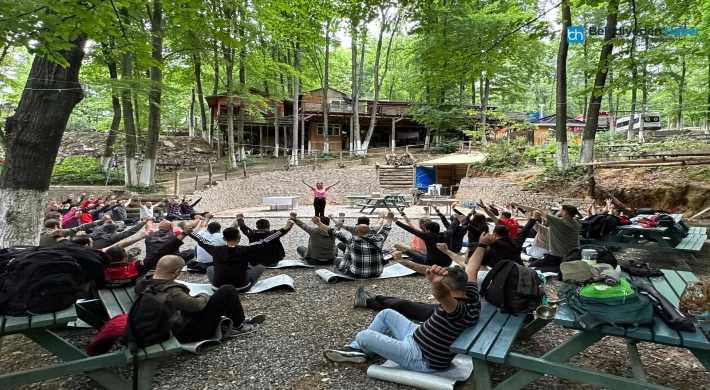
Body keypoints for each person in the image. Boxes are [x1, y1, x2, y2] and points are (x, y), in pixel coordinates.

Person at [324, 238, 482, 372]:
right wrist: (483, 244)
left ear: (447, 288)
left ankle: (360, 349)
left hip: (421, 358)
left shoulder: (459, 310)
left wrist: (435, 283)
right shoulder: (471, 294)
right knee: (386, 313)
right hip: (416, 336)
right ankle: (358, 350)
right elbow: (472, 267)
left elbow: (441, 294)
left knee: (363, 336)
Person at [134, 234, 265, 340]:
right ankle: (238, 325)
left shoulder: (143, 281)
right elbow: (196, 305)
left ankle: (236, 317)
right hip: (189, 330)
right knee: (227, 289)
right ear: (177, 272)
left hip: (172, 321)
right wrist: (204, 294)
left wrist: (189, 232)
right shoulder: (171, 291)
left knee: (222, 293)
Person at [188, 216, 293, 292]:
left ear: (224, 238)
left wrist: (187, 230)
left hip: (218, 287)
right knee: (260, 267)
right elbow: (267, 240)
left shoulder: (215, 250)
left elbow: (200, 239)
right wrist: (286, 228)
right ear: (239, 238)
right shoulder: (246, 249)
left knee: (210, 269)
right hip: (242, 286)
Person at [320, 213, 393, 278]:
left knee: (337, 260)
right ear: (369, 231)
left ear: (356, 232)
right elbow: (386, 228)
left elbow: (332, 231)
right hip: (377, 273)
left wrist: (318, 223)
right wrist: (389, 218)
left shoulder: (351, 240)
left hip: (357, 274)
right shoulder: (379, 239)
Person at [516, 203, 582, 272]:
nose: (558, 212)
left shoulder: (560, 222)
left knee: (532, 267)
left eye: (559, 210)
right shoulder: (577, 222)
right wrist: (558, 206)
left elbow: (539, 211)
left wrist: (518, 205)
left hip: (559, 256)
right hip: (573, 255)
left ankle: (561, 268)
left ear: (564, 213)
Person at [40, 214, 109, 247]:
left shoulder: (39, 231)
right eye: (60, 226)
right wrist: (101, 220)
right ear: (55, 227)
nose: (61, 228)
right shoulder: (54, 233)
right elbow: (80, 227)